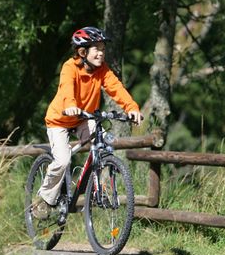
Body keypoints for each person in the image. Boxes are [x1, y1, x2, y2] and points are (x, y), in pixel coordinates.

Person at [31, 26, 143, 220]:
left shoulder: (103, 70)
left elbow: (117, 88)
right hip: (60, 119)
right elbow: (67, 89)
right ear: (83, 52)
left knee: (102, 144)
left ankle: (97, 186)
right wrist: (71, 106)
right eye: (96, 49)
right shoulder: (70, 67)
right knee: (63, 160)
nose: (101, 53)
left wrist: (132, 108)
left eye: (103, 49)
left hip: (84, 118)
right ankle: (44, 199)